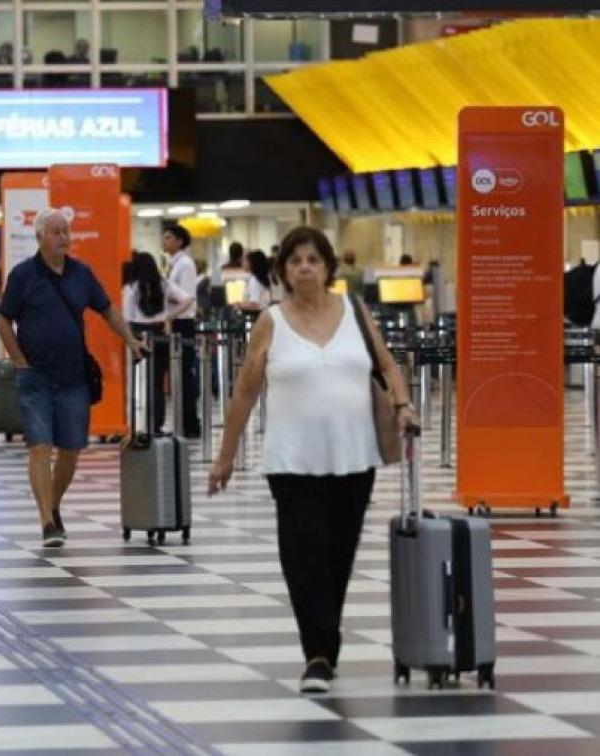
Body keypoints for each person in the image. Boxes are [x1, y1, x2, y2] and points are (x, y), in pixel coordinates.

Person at [207, 226, 416, 694]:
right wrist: (225, 457)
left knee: (338, 556)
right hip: (292, 461)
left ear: (327, 269)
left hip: (353, 456)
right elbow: (245, 392)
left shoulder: (355, 311)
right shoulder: (271, 322)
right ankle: (316, 655)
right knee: (304, 556)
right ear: (282, 271)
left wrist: (403, 404)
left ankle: (328, 640)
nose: (305, 267)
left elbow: (386, 364)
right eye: (296, 260)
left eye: (313, 260)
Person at [0, 209, 145, 548]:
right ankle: (48, 522)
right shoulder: (23, 275)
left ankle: (53, 504)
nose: (63, 237)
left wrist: (130, 340)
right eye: (55, 231)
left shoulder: (81, 274)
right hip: (35, 377)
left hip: (73, 377)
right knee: (40, 447)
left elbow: (107, 309)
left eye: (66, 231)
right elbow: (4, 320)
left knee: (71, 450)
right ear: (39, 238)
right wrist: (18, 360)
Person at [123, 252, 192, 433]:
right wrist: (169, 317)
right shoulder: (163, 284)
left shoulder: (131, 287)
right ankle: (156, 425)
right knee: (157, 383)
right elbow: (188, 299)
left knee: (131, 381)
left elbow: (125, 315)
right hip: (160, 333)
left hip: (137, 333)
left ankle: (131, 425)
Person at [161, 222, 201, 438]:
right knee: (177, 375)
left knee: (184, 374)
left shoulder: (185, 264)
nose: (164, 241)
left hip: (182, 323)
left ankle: (190, 423)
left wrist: (170, 317)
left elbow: (188, 298)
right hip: (174, 321)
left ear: (179, 241)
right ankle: (181, 422)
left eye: (168, 237)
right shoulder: (172, 263)